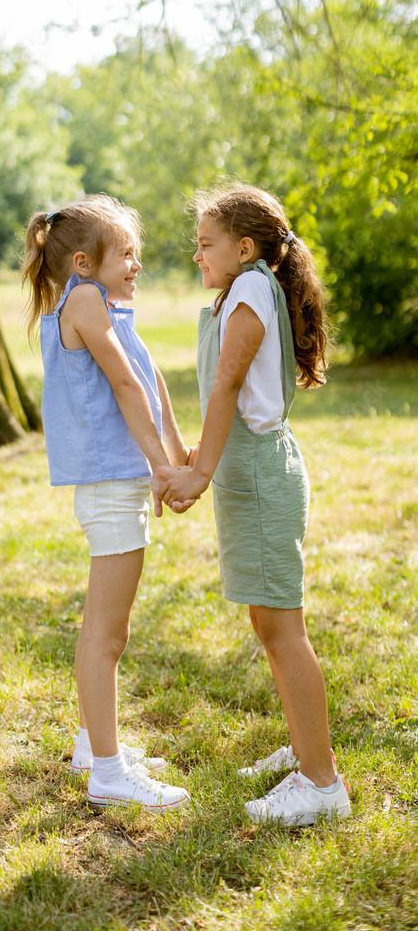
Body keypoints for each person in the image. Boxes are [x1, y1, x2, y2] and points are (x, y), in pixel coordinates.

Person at [157, 184, 352, 826]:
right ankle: (304, 748)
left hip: (261, 478)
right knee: (267, 623)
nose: (196, 255)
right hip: (248, 473)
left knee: (283, 629)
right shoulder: (245, 288)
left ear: (244, 247)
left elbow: (229, 386)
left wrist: (200, 472)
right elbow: (228, 395)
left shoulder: (247, 291)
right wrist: (194, 455)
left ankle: (322, 783)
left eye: (205, 243)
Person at [22, 194, 192, 812]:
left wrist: (176, 453)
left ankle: (94, 747)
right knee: (106, 635)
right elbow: (122, 384)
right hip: (109, 481)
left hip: (118, 480)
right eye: (127, 254)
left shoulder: (108, 305)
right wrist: (161, 467)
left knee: (104, 627)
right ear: (83, 263)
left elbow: (149, 380)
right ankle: (109, 773)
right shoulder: (86, 300)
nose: (137, 265)